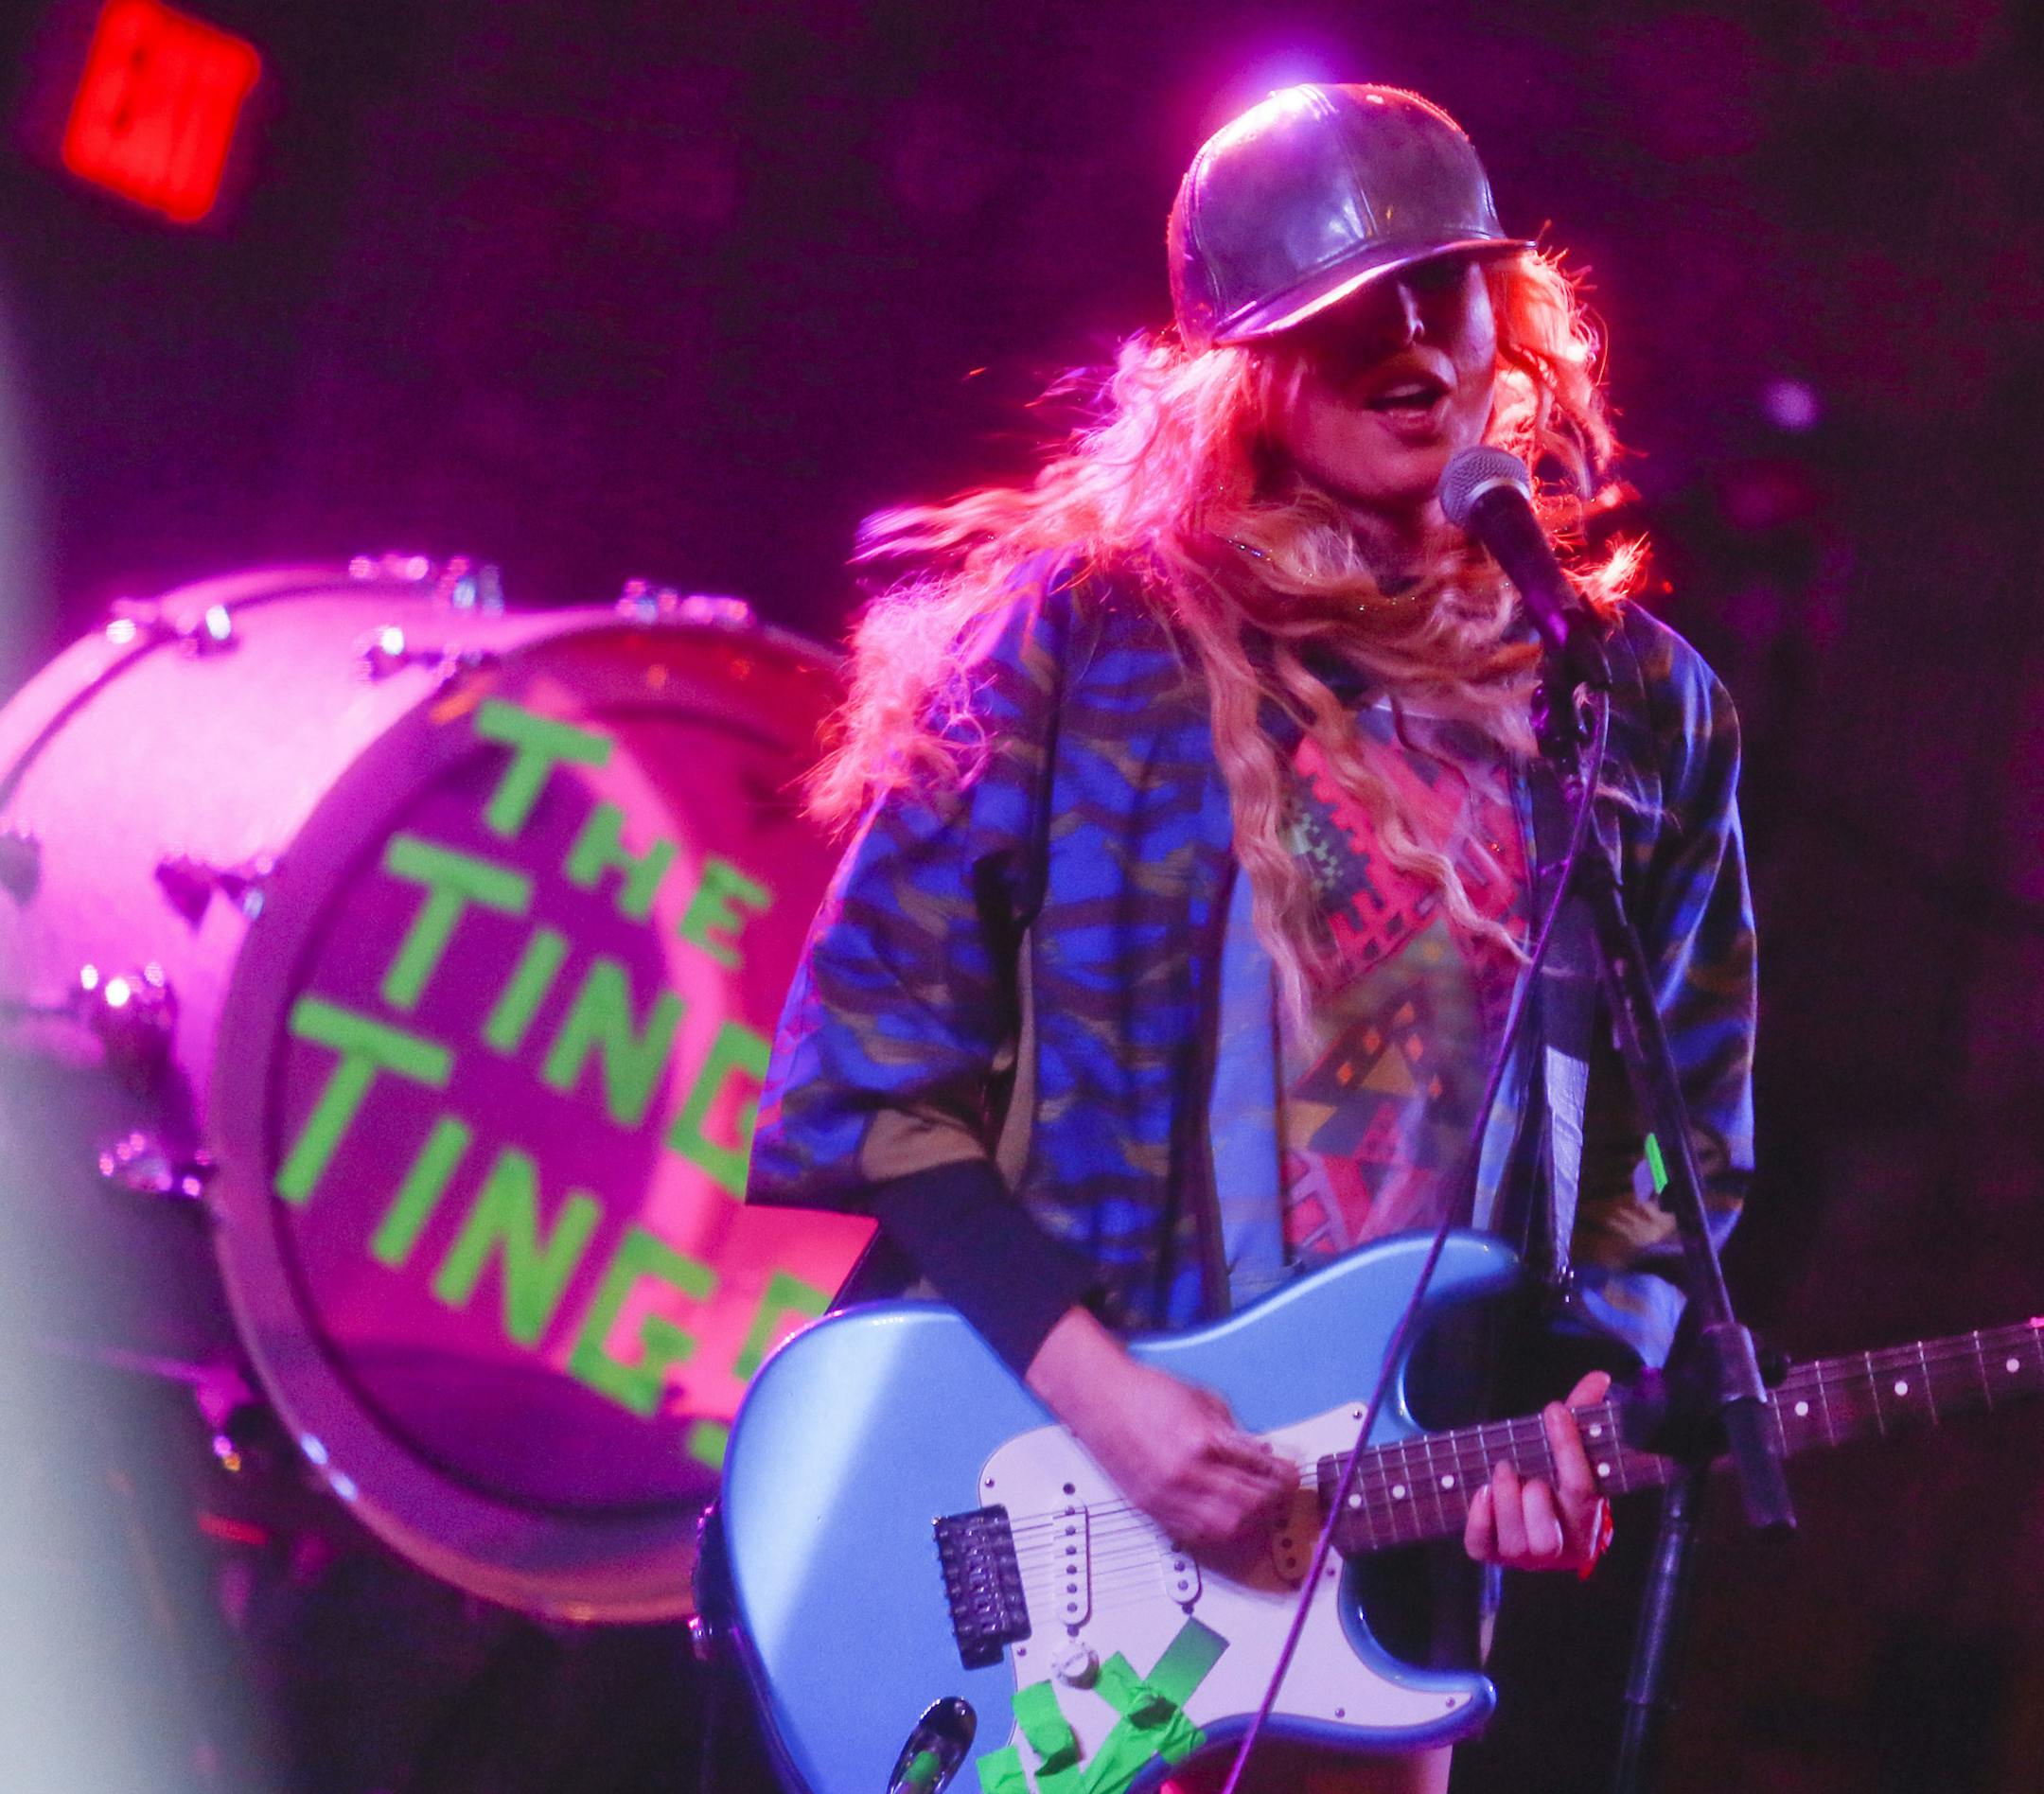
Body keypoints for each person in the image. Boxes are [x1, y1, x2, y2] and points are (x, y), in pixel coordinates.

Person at [748, 82, 1755, 1794]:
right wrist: (1103, 1395)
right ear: (1240, 364)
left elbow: (1676, 1153)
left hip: (1385, 1546)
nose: (1414, 344)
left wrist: (1583, 1397)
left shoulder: (1633, 709)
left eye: (1444, 291)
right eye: (1349, 317)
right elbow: (874, 1069)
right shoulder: (1091, 645)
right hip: (1055, 1493)